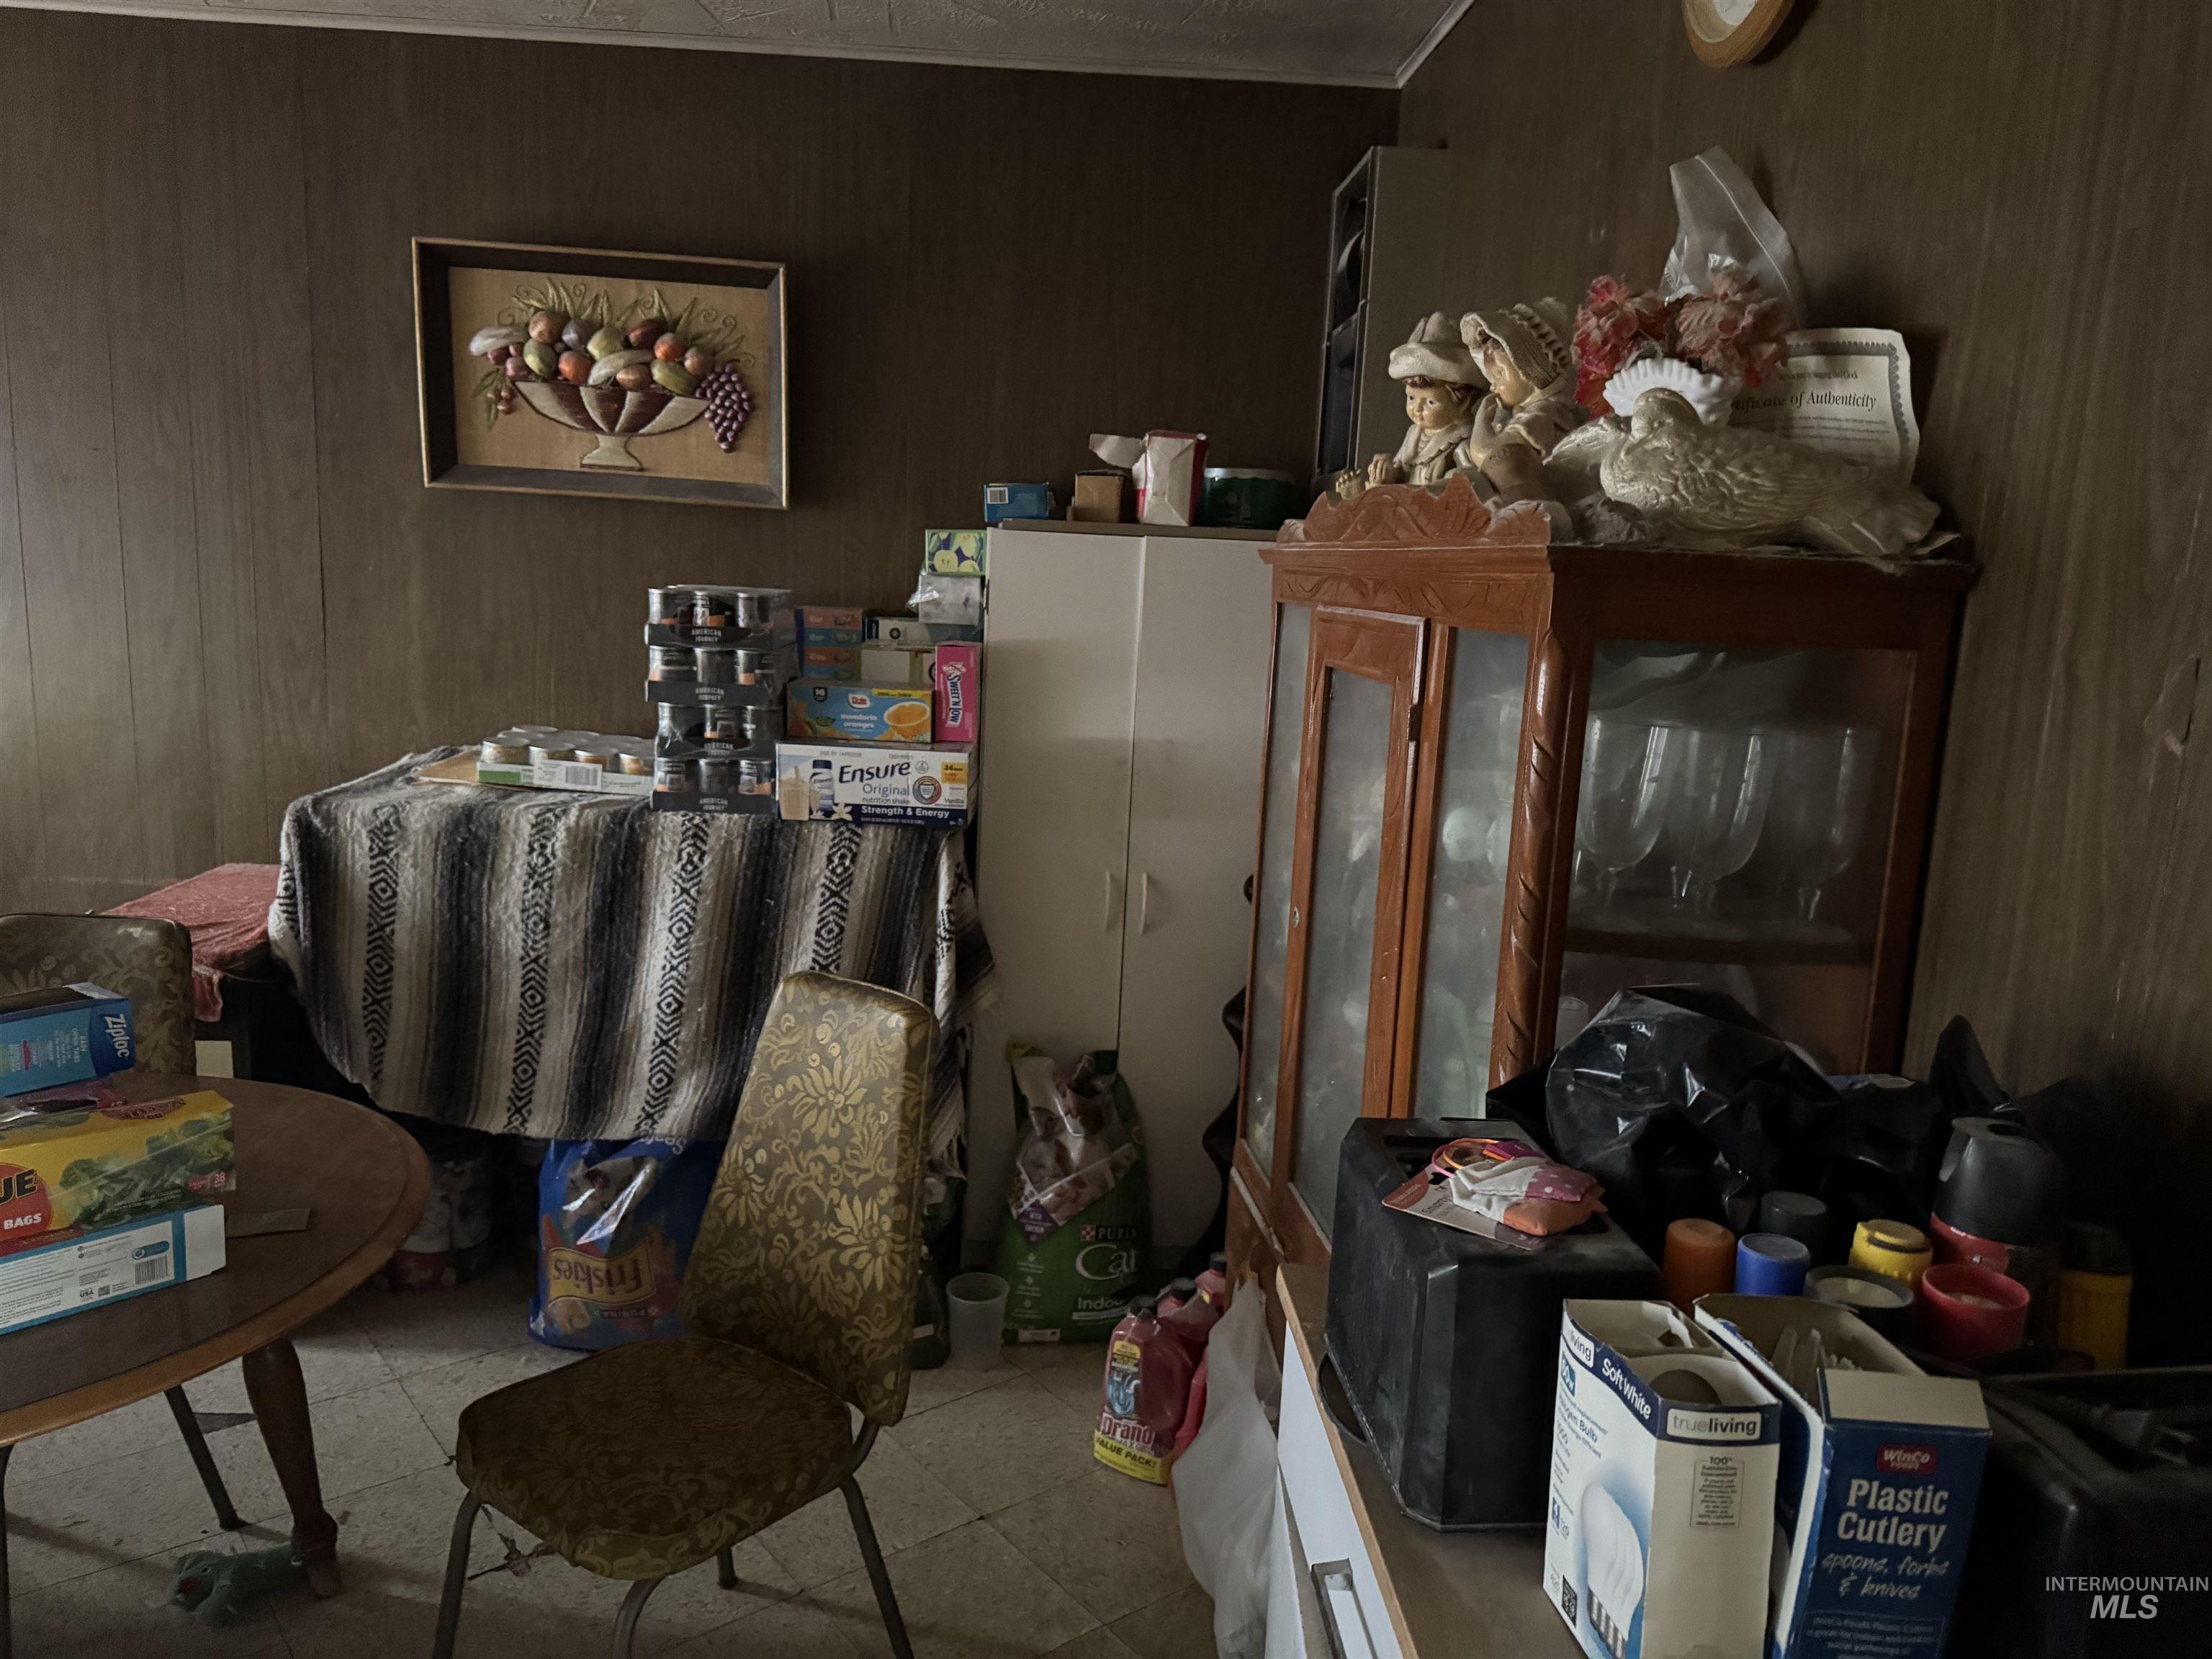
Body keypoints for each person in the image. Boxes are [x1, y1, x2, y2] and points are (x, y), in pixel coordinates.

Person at [1457, 298, 1586, 507]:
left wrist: (1482, 419)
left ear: (1527, 371)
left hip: (1537, 502)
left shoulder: (1544, 416)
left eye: (1499, 375)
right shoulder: (1521, 411)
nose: (1492, 386)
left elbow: (1492, 455)